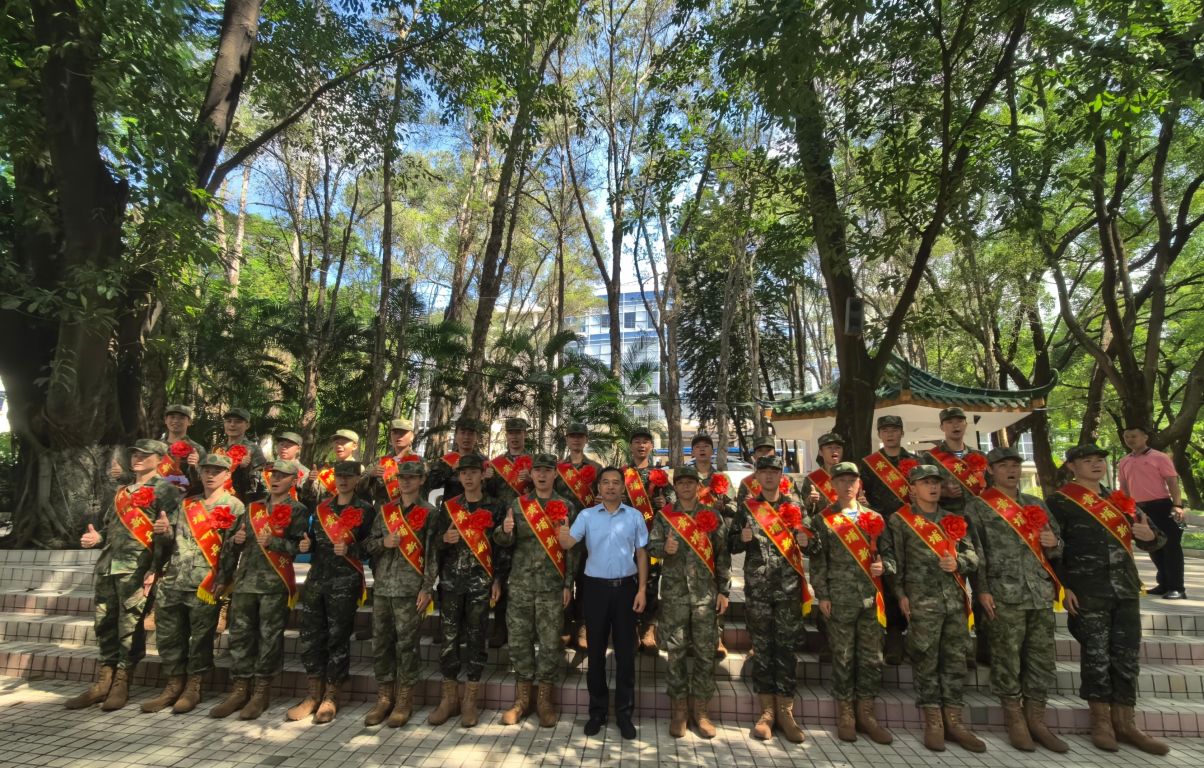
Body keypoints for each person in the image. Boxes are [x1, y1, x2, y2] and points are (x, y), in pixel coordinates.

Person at [1049, 443, 1168, 755]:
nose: (1096, 465)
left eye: (1100, 460)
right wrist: (1064, 587)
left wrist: (1150, 537)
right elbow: (1052, 550)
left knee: (1126, 656)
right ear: (1071, 466)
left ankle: (1126, 723)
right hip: (1087, 591)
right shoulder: (1060, 501)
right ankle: (1101, 722)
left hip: (1125, 589)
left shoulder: (1120, 500)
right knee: (1096, 656)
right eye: (1087, 460)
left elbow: (1155, 537)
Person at [964, 447, 1067, 752]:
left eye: (1015, 465)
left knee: (1041, 658)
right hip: (1003, 594)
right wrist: (982, 590)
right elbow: (976, 553)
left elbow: (1057, 546)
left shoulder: (1036, 504)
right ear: (990, 470)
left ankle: (1037, 719)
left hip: (1038, 593)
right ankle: (1015, 720)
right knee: (1007, 658)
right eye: (1003, 466)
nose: (1011, 470)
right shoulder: (979, 507)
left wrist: (1054, 542)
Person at [66, 439, 179, 712]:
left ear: (160, 459)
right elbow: (110, 527)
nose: (137, 458)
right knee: (104, 622)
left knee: (129, 624)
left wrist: (164, 540)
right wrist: (97, 538)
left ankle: (122, 681)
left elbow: (174, 533)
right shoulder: (122, 491)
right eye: (134, 454)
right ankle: (104, 680)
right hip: (109, 566)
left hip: (137, 568)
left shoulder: (166, 490)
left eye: (144, 454)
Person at [886, 464, 983, 752]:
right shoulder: (900, 520)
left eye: (936, 483)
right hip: (921, 601)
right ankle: (934, 722)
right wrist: (900, 595)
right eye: (925, 483)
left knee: (954, 660)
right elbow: (895, 562)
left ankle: (954, 721)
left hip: (953, 601)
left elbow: (973, 556)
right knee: (925, 659)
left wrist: (959, 563)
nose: (932, 487)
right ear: (912, 488)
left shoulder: (954, 519)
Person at [142, 453, 241, 715]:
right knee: (169, 637)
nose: (210, 475)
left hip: (204, 584)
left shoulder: (235, 507)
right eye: (206, 470)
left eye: (217, 471)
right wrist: (163, 531)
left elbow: (232, 550)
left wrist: (224, 579)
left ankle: (194, 687)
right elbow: (169, 541)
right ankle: (173, 685)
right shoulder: (186, 504)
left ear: (227, 475)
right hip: (174, 580)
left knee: (200, 639)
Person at [209, 459, 307, 720]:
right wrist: (236, 541)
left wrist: (275, 542)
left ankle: (261, 692)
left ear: (293, 480)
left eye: (282, 476)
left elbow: (299, 548)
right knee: (240, 635)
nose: (276, 479)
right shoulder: (253, 508)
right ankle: (240, 689)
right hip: (245, 581)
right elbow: (233, 543)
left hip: (274, 583)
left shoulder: (297, 510)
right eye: (273, 474)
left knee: (269, 638)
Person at [558, 466, 648, 741]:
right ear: (598, 488)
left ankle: (624, 714)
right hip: (595, 590)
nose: (610, 487)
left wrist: (642, 590)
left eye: (615, 482)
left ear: (623, 487)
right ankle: (596, 712)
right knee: (595, 653)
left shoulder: (634, 516)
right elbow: (568, 543)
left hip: (626, 590)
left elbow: (642, 554)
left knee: (625, 655)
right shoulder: (586, 516)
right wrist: (562, 534)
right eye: (605, 482)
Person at [729, 455, 814, 744]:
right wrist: (742, 538)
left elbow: (814, 542)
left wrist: (807, 541)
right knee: (763, 650)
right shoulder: (747, 508)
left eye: (773, 471)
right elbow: (730, 545)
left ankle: (786, 713)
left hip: (788, 591)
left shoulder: (796, 507)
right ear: (756, 476)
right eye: (763, 471)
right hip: (758, 591)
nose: (768, 476)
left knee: (786, 650)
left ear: (781, 475)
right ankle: (766, 713)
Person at [810, 462, 894, 745]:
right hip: (839, 599)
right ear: (833, 485)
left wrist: (885, 566)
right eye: (842, 481)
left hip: (871, 599)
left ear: (859, 484)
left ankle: (866, 714)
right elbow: (818, 562)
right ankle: (845, 714)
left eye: (852, 481)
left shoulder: (875, 518)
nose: (847, 486)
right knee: (843, 656)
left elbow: (890, 556)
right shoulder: (823, 520)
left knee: (871, 657)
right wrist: (822, 595)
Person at [422, 454, 506, 728]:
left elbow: (502, 549)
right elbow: (433, 546)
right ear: (458, 477)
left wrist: (498, 579)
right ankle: (449, 699)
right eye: (463, 473)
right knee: (448, 640)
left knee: (476, 639)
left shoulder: (496, 506)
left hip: (480, 583)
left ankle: (470, 700)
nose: (468, 477)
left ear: (483, 475)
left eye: (473, 472)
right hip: (450, 584)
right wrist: (444, 540)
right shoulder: (448, 508)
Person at [646, 466, 730, 739]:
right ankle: (679, 710)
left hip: (705, 596)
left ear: (697, 486)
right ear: (675, 486)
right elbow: (651, 546)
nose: (685, 486)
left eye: (690, 482)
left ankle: (701, 711)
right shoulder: (665, 516)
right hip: (675, 596)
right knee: (676, 652)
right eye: (680, 482)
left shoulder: (712, 515)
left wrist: (724, 591)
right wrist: (664, 549)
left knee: (705, 653)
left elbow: (722, 555)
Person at [288, 460, 374, 724]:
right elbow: (312, 540)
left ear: (357, 480)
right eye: (340, 476)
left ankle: (332, 695)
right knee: (311, 636)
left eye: (349, 476)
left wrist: (352, 550)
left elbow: (372, 545)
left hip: (345, 581)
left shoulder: (366, 510)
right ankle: (313, 693)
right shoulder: (322, 508)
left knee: (337, 638)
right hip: (317, 579)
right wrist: (306, 546)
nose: (344, 481)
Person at [493, 453, 576, 727]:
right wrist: (505, 531)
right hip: (520, 585)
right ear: (531, 474)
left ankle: (544, 701)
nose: (541, 475)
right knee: (519, 641)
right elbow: (502, 542)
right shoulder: (518, 505)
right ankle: (522, 700)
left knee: (550, 643)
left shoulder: (566, 506)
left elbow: (572, 550)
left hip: (552, 586)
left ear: (555, 474)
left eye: (547, 470)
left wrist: (568, 583)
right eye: (537, 470)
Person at [363, 460, 436, 727]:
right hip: (383, 587)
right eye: (402, 477)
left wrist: (427, 588)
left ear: (421, 481)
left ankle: (404, 699)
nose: (405, 481)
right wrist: (384, 542)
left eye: (412, 477)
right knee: (381, 643)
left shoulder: (430, 513)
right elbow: (368, 545)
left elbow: (432, 554)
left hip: (410, 589)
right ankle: (384, 697)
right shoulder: (385, 511)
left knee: (407, 646)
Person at [920, 406, 990, 664]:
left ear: (965, 424)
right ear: (942, 427)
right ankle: (961, 648)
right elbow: (919, 489)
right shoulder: (930, 458)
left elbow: (992, 491)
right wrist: (943, 493)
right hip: (946, 528)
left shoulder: (980, 457)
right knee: (955, 587)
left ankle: (985, 645)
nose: (955, 425)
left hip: (979, 527)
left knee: (983, 584)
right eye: (949, 422)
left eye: (959, 420)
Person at [858, 415, 917, 664]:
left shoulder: (916, 462)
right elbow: (863, 497)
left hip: (911, 530)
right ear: (879, 435)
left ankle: (914, 634)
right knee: (888, 578)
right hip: (881, 530)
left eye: (894, 429)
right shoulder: (870, 465)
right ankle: (892, 634)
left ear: (902, 432)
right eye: (885, 430)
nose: (890, 434)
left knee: (911, 578)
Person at [1118, 425, 1187, 599]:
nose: (1130, 440)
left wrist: (1177, 505)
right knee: (1152, 546)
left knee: (1171, 546)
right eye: (1127, 437)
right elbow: (1124, 488)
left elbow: (1172, 482)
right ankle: (1164, 584)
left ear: (1145, 437)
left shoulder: (1159, 457)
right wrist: (1125, 509)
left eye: (1134, 436)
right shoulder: (1124, 461)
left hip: (1161, 506)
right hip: (1138, 509)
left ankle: (1177, 588)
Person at [621, 426, 672, 652]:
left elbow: (673, 502)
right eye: (637, 441)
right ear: (631, 446)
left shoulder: (660, 476)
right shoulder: (622, 474)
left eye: (645, 442)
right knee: (627, 581)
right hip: (625, 537)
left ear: (651, 446)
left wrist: (664, 503)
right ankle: (630, 627)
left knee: (651, 581)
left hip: (652, 537)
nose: (641, 445)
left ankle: (648, 628)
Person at [487, 417, 534, 648]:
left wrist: (531, 480)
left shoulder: (534, 463)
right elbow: (488, 495)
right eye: (511, 432)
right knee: (500, 574)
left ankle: (528, 628)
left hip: (529, 527)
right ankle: (499, 626)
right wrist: (486, 479)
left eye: (519, 432)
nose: (515, 436)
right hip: (502, 528)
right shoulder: (496, 464)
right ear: (506, 435)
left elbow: (546, 490)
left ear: (525, 434)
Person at [554, 421, 601, 650]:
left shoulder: (597, 468)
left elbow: (605, 495)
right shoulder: (557, 469)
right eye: (572, 436)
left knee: (584, 581)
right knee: (563, 578)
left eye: (580, 436)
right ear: (567, 439)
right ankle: (564, 625)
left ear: (586, 440)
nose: (576, 440)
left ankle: (583, 626)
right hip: (562, 533)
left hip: (588, 534)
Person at [689, 433, 736, 659]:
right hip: (691, 540)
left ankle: (717, 637)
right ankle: (691, 637)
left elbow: (736, 507)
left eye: (706, 446)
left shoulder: (721, 478)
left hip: (716, 539)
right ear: (692, 452)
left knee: (718, 585)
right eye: (698, 446)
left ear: (712, 450)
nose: (702, 450)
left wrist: (723, 506)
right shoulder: (686, 476)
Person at [424, 416, 488, 504]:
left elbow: (493, 490)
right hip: (452, 509)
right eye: (463, 433)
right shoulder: (446, 461)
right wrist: (450, 470)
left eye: (470, 433)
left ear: (476, 437)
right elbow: (431, 483)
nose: (466, 437)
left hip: (478, 508)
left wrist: (488, 478)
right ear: (456, 436)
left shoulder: (483, 461)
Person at [213, 408, 267, 503]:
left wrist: (245, 468)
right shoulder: (217, 448)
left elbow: (261, 481)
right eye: (228, 421)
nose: (232, 424)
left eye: (238, 422)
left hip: (240, 500)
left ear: (247, 425)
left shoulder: (252, 449)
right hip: (216, 498)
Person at [362, 418, 420, 504]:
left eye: (403, 433)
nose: (398, 436)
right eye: (395, 433)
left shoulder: (420, 462)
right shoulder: (379, 462)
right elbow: (358, 488)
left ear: (412, 436)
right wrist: (371, 475)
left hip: (411, 510)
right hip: (383, 510)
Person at [301, 429, 362, 506]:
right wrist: (310, 481)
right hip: (325, 512)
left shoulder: (360, 470)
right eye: (336, 442)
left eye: (343, 442)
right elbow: (312, 496)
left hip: (350, 512)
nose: (339, 446)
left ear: (354, 446)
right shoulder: (326, 472)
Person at [159, 404, 205, 494]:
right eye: (172, 417)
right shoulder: (156, 447)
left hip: (186, 497)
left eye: (181, 418)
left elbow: (204, 480)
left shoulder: (197, 449)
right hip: (158, 496)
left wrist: (195, 467)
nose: (176, 421)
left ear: (189, 422)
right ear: (165, 420)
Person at [799, 432, 845, 518]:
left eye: (838, 447)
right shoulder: (811, 480)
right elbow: (802, 511)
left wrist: (863, 503)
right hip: (822, 524)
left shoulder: (851, 477)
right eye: (829, 447)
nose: (834, 450)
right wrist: (810, 501)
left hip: (847, 523)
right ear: (820, 452)